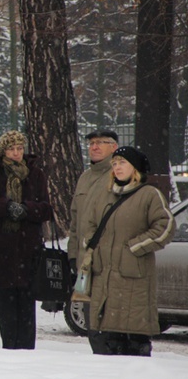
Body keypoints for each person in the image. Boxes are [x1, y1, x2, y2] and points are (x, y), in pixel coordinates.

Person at [82, 147, 174, 356]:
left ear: (135, 168)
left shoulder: (149, 195)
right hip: (105, 277)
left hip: (134, 281)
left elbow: (165, 227)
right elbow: (89, 225)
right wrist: (93, 246)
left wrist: (135, 247)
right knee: (108, 342)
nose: (117, 167)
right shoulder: (105, 195)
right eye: (114, 163)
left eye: (122, 163)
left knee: (133, 347)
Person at [0, 130, 52, 349]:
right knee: (5, 303)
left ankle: (27, 349)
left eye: (20, 148)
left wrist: (26, 209)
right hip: (3, 248)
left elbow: (46, 209)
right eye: (12, 149)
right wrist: (6, 207)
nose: (17, 153)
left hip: (28, 248)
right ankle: (8, 347)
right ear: (3, 151)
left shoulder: (35, 174)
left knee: (27, 304)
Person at [65, 129, 118, 319]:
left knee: (109, 321)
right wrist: (72, 255)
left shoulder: (118, 176)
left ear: (114, 147)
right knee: (91, 322)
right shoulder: (84, 178)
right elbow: (75, 221)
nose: (94, 147)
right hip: (84, 264)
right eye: (91, 143)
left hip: (108, 263)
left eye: (101, 142)